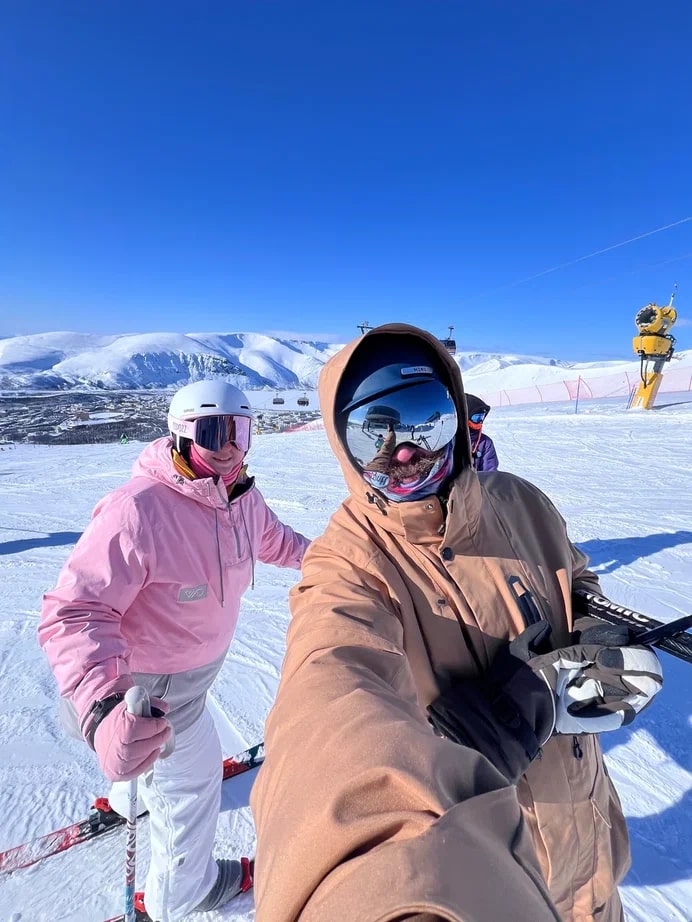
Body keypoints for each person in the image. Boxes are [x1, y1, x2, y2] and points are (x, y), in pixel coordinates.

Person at [250, 323, 663, 922]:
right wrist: (502, 715)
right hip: (488, 878)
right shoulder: (347, 565)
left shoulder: (520, 501)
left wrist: (590, 625)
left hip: (589, 853)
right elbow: (326, 703)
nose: (408, 451)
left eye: (427, 418)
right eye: (376, 434)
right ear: (344, 447)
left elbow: (573, 577)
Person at [38, 379, 310, 922]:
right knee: (194, 784)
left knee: (151, 767)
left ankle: (130, 796)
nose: (231, 445)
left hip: (189, 678)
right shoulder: (138, 510)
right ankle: (181, 893)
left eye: (242, 430)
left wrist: (333, 561)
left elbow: (278, 541)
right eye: (215, 431)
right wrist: (105, 708)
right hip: (152, 696)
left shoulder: (241, 499)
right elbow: (74, 612)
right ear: (183, 435)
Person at [465, 393, 498, 471]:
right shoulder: (448, 440)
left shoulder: (485, 443)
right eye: (476, 418)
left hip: (478, 482)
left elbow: (490, 473)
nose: (480, 421)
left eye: (482, 417)